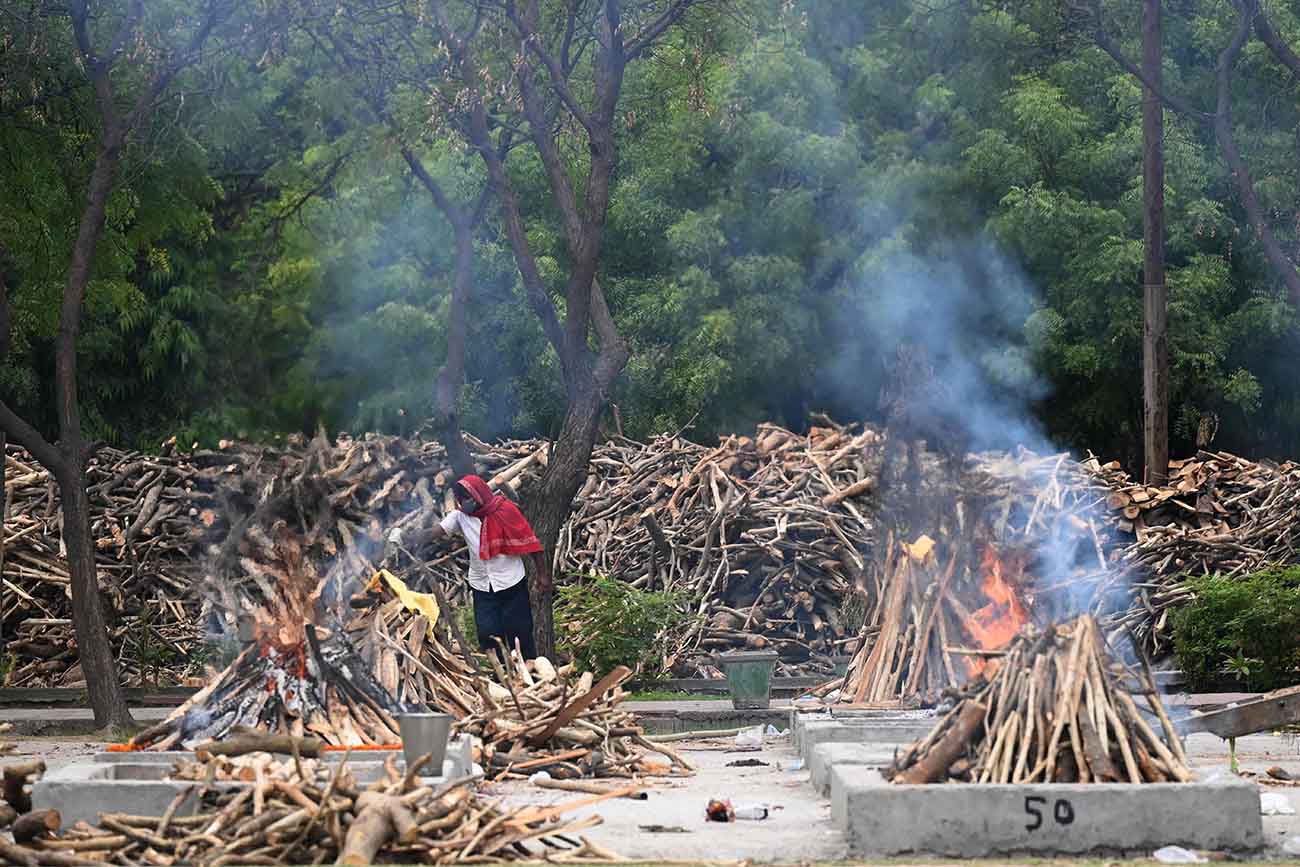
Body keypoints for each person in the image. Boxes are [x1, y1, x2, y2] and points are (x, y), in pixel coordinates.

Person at [389, 475, 551, 660]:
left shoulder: (505, 510)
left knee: (520, 632)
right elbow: (434, 532)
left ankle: (530, 672)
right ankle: (502, 676)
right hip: (482, 585)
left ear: (479, 494)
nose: (465, 502)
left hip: (510, 582)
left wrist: (542, 575)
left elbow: (531, 543)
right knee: (488, 633)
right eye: (462, 497)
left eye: (468, 496)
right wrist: (406, 538)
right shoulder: (461, 517)